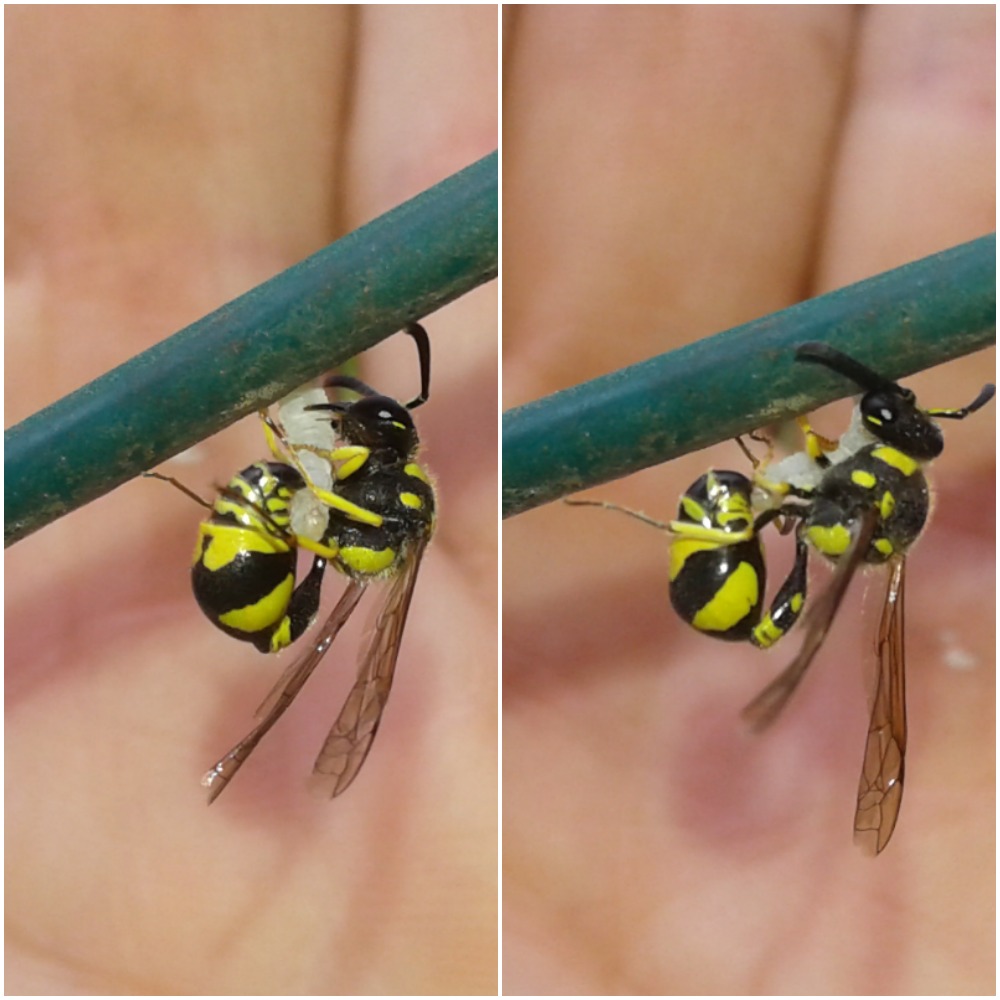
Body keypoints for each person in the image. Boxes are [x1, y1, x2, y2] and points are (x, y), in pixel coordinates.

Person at [5, 8, 498, 994]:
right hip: (269, 573)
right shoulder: (364, 504)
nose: (372, 425)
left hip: (259, 581)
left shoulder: (363, 516)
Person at [503, 7, 994, 994]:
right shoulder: (854, 490)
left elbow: (808, 526)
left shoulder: (854, 503)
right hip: (742, 575)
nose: (880, 418)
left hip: (734, 588)